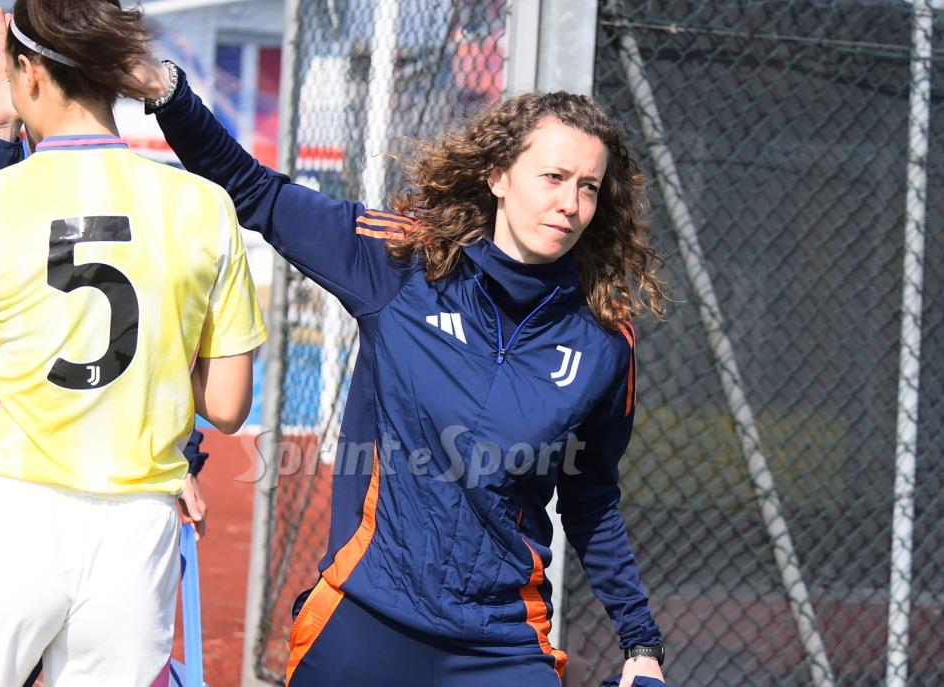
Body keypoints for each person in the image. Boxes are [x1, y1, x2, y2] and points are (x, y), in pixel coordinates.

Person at [136, 54, 670, 686]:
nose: (570, 203)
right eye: (553, 176)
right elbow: (256, 192)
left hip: (500, 643)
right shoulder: (402, 264)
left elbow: (592, 498)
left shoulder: (604, 340)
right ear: (499, 175)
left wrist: (641, 642)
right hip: (364, 618)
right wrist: (167, 91)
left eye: (588, 187)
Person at [0, 2, 265, 685]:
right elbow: (227, 406)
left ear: (28, 73)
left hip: (9, 517)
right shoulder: (203, 206)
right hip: (135, 537)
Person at [0, 7, 212, 529]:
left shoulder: (143, 195)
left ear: (30, 73)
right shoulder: (184, 200)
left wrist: (183, 454)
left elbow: (156, 328)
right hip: (124, 493)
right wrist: (1, 128)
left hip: (16, 480)